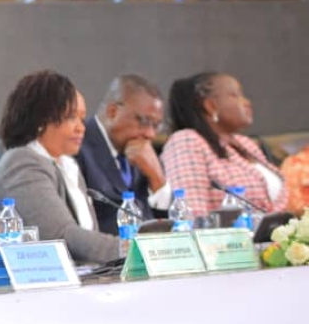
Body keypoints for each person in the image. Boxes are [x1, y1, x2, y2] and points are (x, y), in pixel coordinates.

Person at [0, 71, 120, 263]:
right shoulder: (21, 164)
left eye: (82, 119)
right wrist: (130, 247)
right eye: (71, 117)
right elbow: (61, 236)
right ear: (41, 120)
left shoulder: (67, 166)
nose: (81, 127)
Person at [161, 72, 287, 217]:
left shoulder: (246, 144)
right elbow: (192, 213)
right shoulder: (186, 141)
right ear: (210, 106)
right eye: (235, 95)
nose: (247, 102)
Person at [75, 74, 172, 235]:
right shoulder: (77, 146)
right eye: (144, 121)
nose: (150, 134)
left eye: (156, 126)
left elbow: (169, 223)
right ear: (113, 112)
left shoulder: (145, 153)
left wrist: (158, 179)